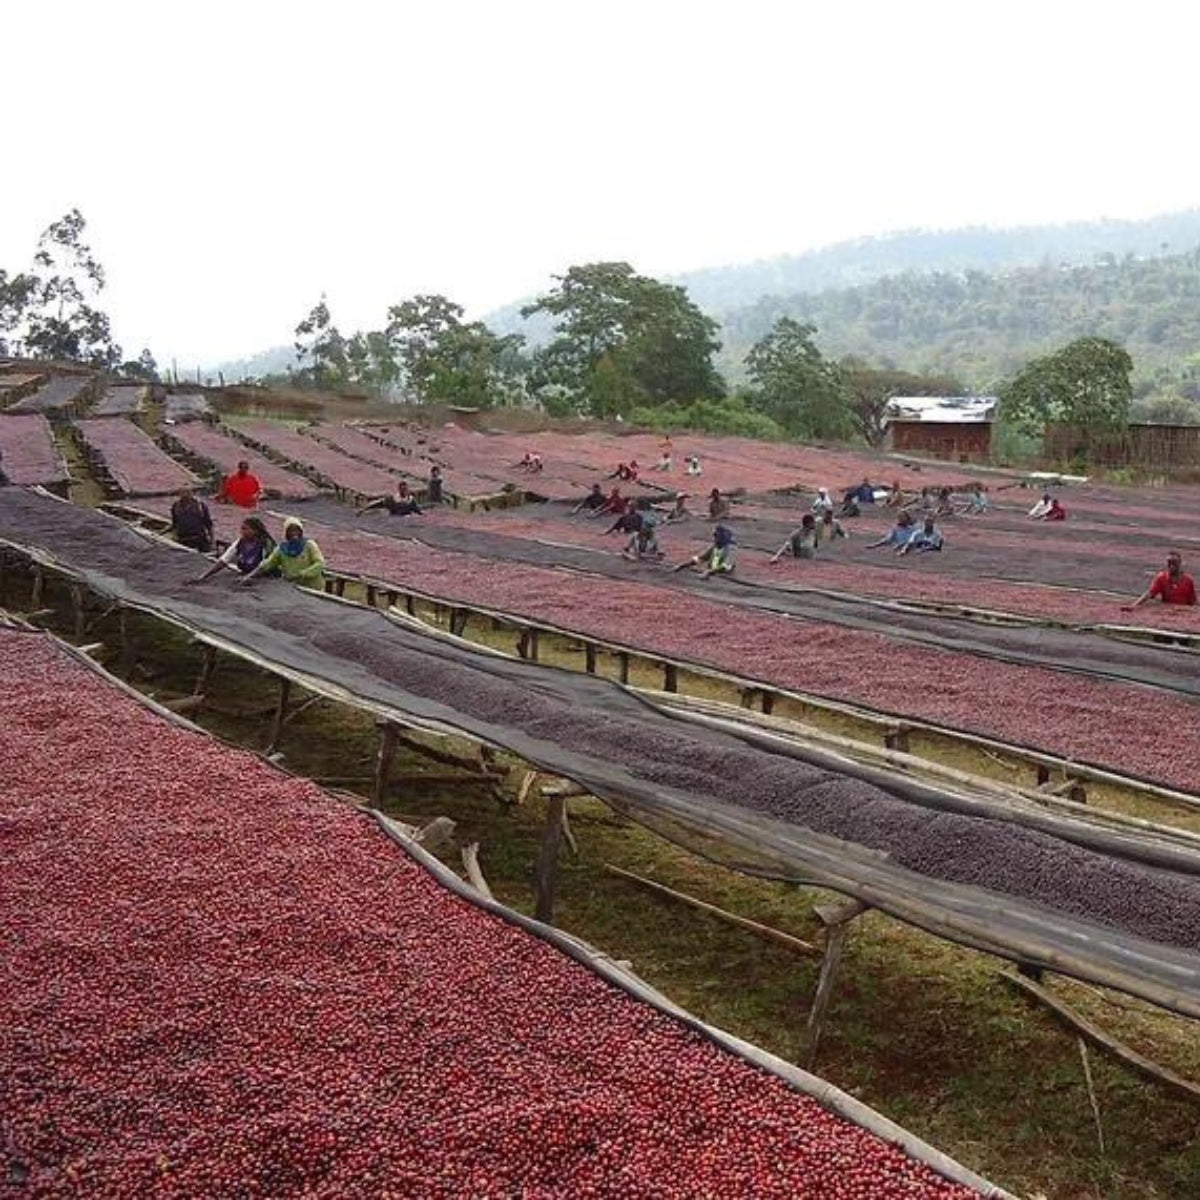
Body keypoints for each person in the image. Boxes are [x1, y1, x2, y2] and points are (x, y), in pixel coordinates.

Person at [240, 518, 325, 589]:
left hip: (313, 588)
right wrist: (249, 576)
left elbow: (320, 563)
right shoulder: (282, 549)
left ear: (301, 532)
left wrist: (302, 574)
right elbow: (267, 564)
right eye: (291, 531)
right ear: (286, 533)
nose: (294, 534)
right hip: (292, 588)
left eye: (297, 531)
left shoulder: (309, 545)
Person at [189, 517, 276, 583]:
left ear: (255, 531)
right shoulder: (240, 542)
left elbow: (265, 566)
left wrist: (248, 577)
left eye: (245, 529)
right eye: (242, 528)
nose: (242, 532)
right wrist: (204, 576)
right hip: (246, 574)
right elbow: (224, 560)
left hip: (264, 577)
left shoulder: (266, 544)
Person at [1124, 551, 1197, 609]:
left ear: (1180, 563)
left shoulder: (1188, 580)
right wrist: (1134, 605)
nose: (1171, 566)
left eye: (1174, 563)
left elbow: (1192, 601)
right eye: (1169, 563)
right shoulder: (1162, 578)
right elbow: (1150, 593)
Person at [169, 488, 214, 553]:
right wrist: (174, 536)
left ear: (192, 493)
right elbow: (174, 523)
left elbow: (209, 524)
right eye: (183, 492)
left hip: (199, 538)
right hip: (183, 540)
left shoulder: (200, 506)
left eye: (188, 492)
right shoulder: (176, 506)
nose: (185, 495)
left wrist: (212, 540)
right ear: (179, 494)